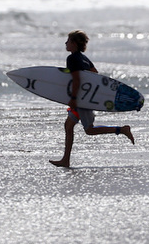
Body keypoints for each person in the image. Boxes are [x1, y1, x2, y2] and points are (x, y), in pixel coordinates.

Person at [49, 30, 134, 168]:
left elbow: (76, 79)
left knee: (89, 130)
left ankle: (122, 129)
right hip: (87, 97)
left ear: (74, 43)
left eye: (68, 41)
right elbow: (95, 74)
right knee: (68, 125)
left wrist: (74, 98)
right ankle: (65, 159)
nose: (66, 43)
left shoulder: (72, 59)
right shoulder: (84, 58)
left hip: (82, 100)